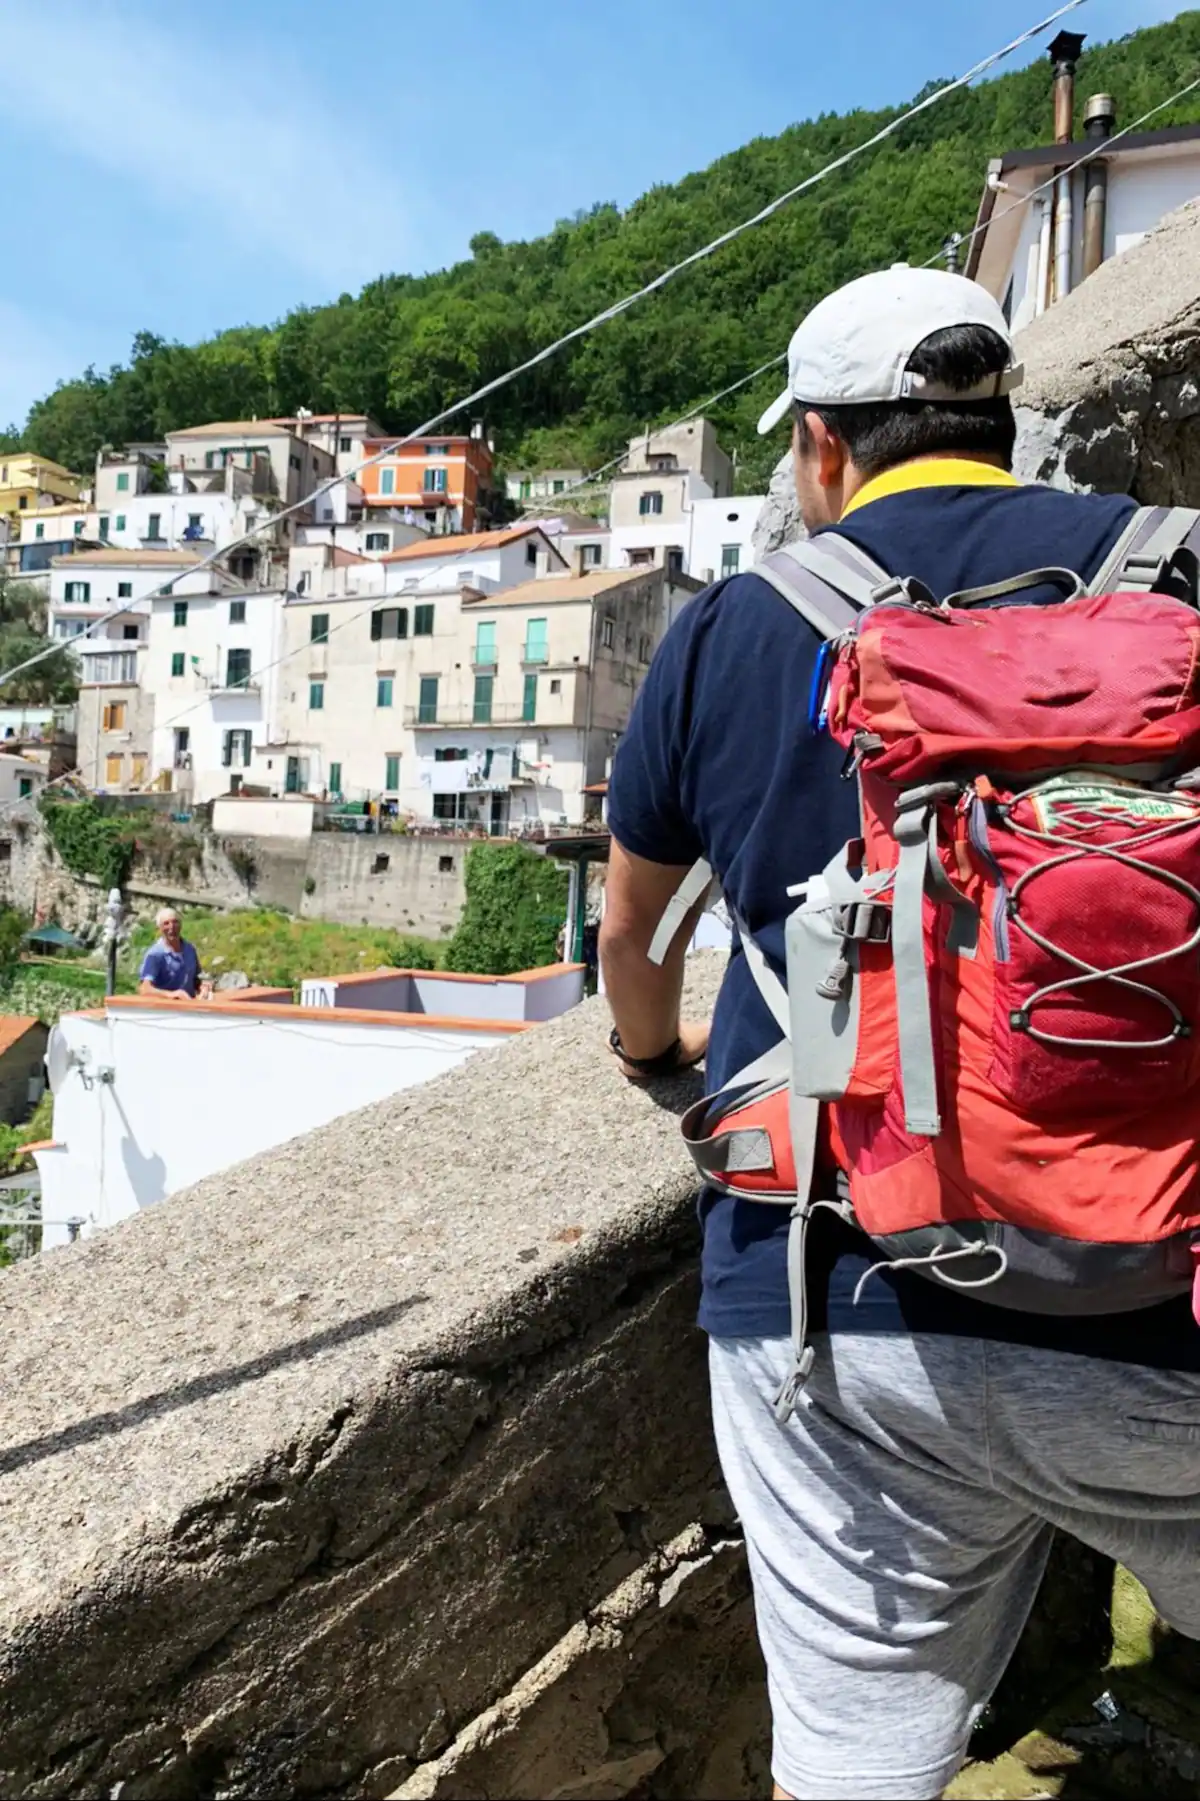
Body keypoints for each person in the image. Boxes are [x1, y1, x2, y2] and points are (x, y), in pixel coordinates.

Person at [599, 265, 1200, 1801]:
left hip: (847, 1300)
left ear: (818, 450)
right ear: (1016, 427)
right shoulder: (1182, 577)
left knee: (857, 1771)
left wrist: (661, 1070)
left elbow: (629, 948)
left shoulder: (734, 628)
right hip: (1167, 1301)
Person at [139, 908, 203, 999]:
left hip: (189, 1007)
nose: (171, 927)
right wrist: (171, 994)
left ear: (181, 925)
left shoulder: (190, 949)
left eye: (175, 922)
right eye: (166, 923)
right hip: (165, 1010)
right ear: (160, 928)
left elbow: (194, 980)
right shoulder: (155, 954)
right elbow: (145, 989)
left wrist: (203, 987)